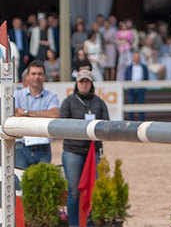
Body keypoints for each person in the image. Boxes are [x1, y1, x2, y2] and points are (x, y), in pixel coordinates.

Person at [59, 69, 109, 227]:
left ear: (91, 83)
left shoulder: (99, 103)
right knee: (73, 192)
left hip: (93, 153)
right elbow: (63, 125)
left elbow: (106, 125)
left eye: (87, 81)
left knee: (94, 192)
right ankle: (74, 225)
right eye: (81, 81)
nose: (84, 84)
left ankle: (91, 224)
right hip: (73, 152)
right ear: (77, 83)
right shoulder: (68, 102)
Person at [13, 60, 60, 169]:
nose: (37, 77)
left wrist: (26, 112)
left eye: (40, 74)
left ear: (44, 77)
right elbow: (15, 116)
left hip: (43, 147)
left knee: (42, 184)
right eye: (33, 74)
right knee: (19, 184)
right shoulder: (17, 95)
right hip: (21, 147)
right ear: (27, 77)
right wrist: (43, 115)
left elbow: (54, 114)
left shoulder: (51, 96)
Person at [124, 51, 148, 121]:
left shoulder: (144, 67)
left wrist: (144, 87)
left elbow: (146, 77)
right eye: (135, 57)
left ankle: (142, 121)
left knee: (141, 106)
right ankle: (130, 121)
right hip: (132, 88)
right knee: (131, 105)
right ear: (133, 58)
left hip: (141, 88)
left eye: (138, 57)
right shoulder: (129, 67)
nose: (137, 59)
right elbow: (127, 77)